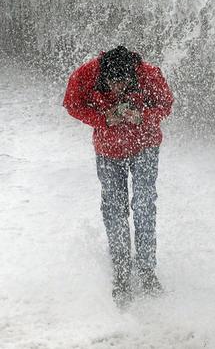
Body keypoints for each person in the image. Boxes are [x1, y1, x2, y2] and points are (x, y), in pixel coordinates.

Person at [63, 45, 173, 305]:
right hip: (108, 149)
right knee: (114, 208)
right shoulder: (85, 74)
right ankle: (122, 273)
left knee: (144, 205)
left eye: (123, 84)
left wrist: (143, 116)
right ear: (103, 77)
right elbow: (71, 104)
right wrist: (103, 119)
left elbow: (166, 104)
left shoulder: (149, 74)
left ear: (133, 75)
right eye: (112, 84)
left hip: (145, 146)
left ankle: (147, 271)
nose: (117, 90)